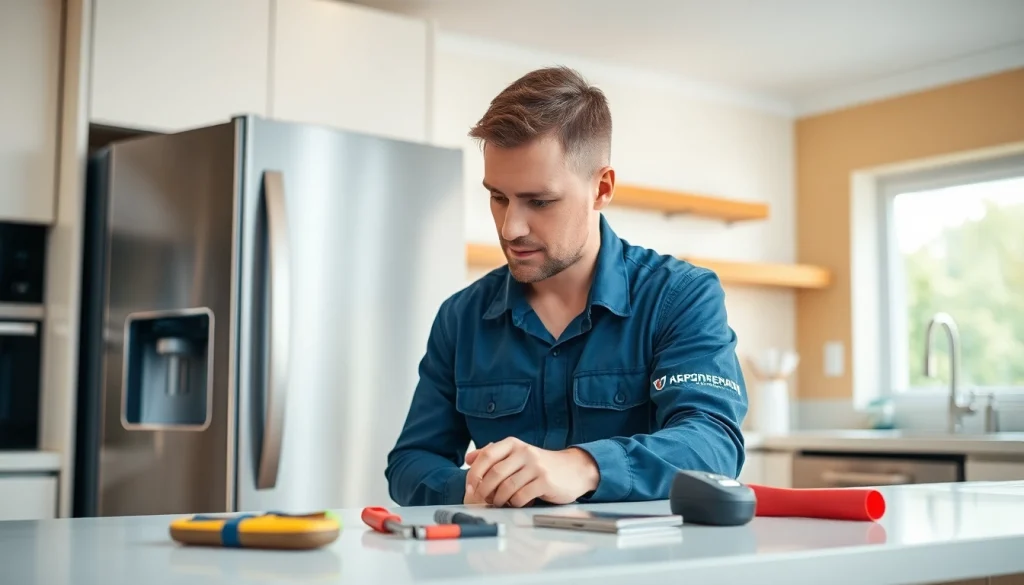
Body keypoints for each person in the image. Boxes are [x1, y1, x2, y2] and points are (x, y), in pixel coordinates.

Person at [385, 66, 748, 508]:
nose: (510, 227)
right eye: (498, 196)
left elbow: (713, 444)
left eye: (539, 201)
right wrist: (478, 486)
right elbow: (410, 463)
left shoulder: (681, 297)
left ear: (602, 188)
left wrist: (581, 466)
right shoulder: (459, 318)